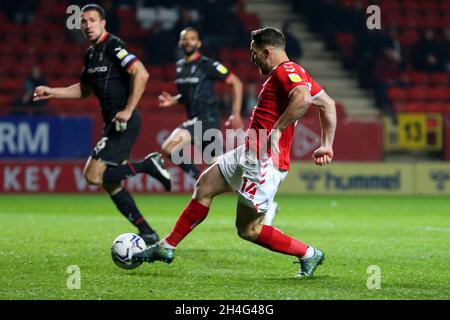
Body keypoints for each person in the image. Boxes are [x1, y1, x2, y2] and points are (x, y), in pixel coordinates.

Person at [134, 27, 337, 278]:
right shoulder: (290, 73)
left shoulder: (287, 71)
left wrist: (278, 129)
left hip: (264, 161)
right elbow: (327, 104)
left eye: (254, 54)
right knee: (204, 186)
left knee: (248, 230)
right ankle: (167, 246)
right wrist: (326, 144)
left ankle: (309, 254)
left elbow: (304, 99)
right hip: (249, 152)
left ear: (266, 52)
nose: (252, 59)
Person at [33, 4, 171, 245]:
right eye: (83, 22)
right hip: (112, 124)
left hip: (124, 122)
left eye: (92, 20)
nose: (87, 25)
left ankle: (147, 165)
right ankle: (147, 232)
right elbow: (84, 90)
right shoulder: (92, 54)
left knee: (92, 176)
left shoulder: (113, 45)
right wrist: (52, 91)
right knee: (110, 183)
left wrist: (128, 110)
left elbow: (141, 73)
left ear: (103, 22)